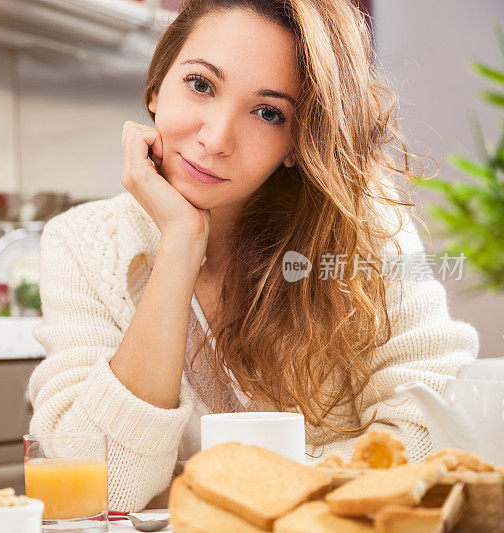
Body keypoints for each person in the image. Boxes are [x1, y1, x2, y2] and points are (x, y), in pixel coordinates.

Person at [27, 0, 479, 513]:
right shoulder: (81, 241)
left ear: (297, 140)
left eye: (268, 113)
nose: (215, 139)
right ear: (156, 87)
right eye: (200, 84)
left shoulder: (371, 230)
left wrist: (272, 505)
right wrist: (179, 247)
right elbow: (93, 491)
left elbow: (440, 424)